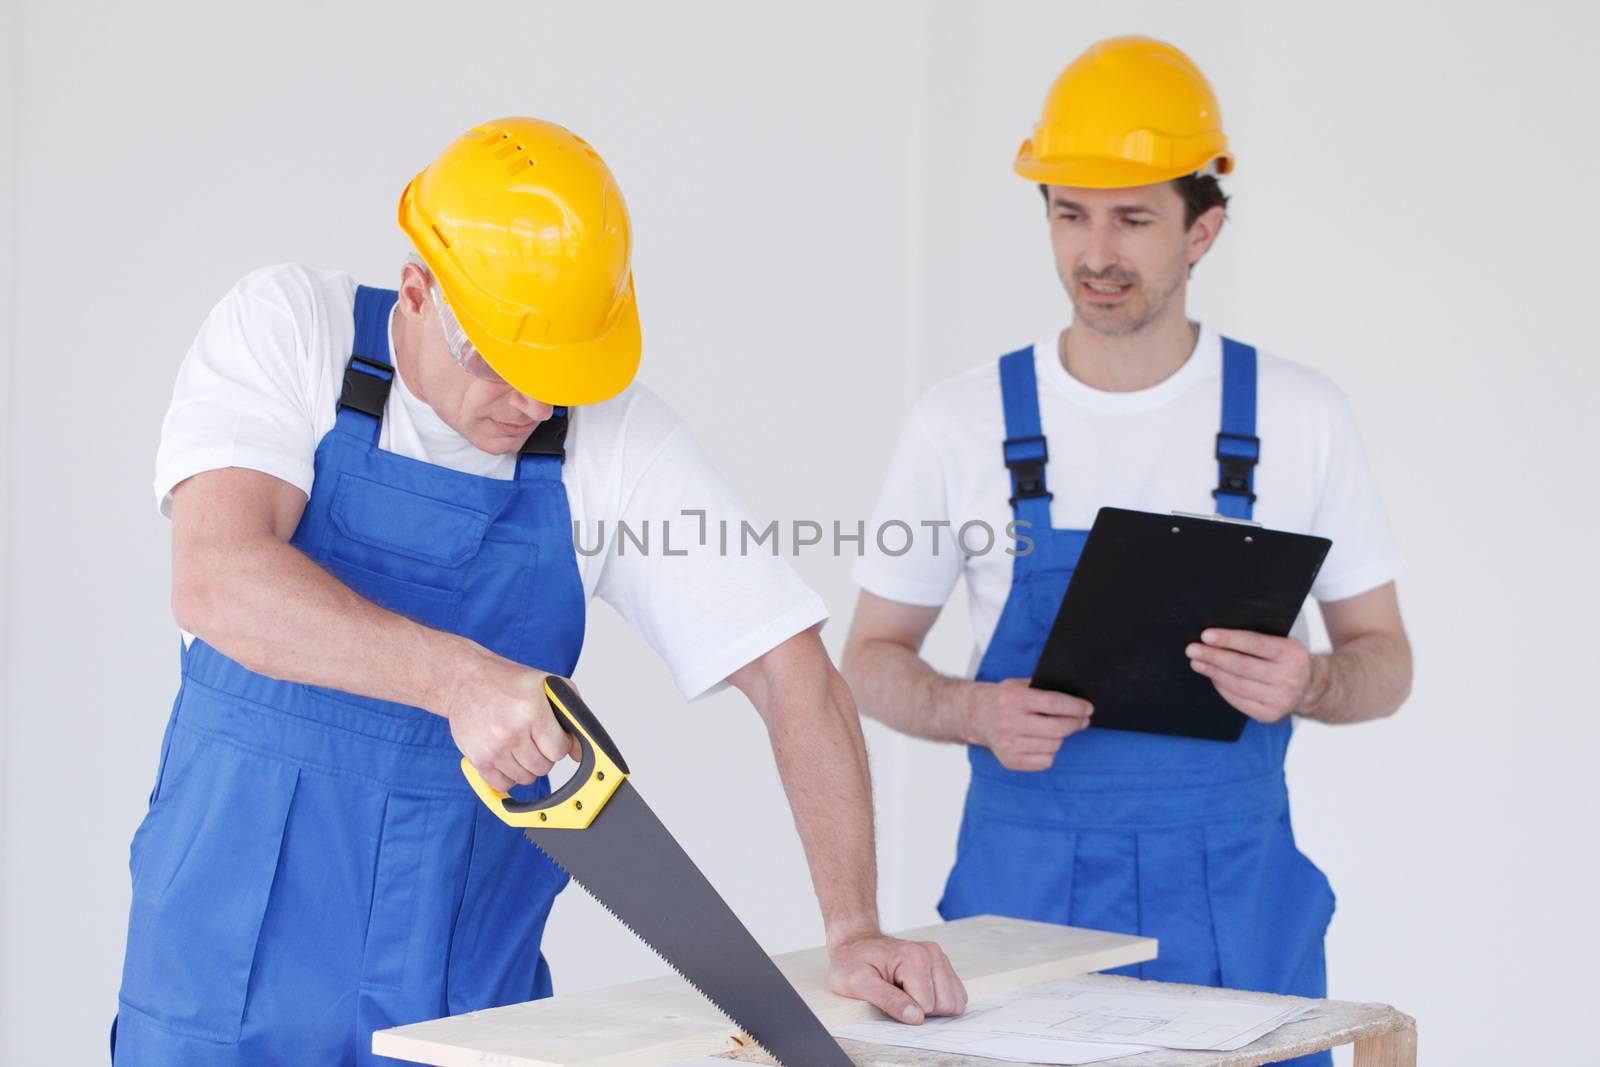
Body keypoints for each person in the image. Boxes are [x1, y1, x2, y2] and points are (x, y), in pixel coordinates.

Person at [113, 117, 964, 1066]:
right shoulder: (288, 332)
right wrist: (458, 680)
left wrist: (852, 928)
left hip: (464, 996)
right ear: (417, 292)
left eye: (560, 377)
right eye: (501, 366)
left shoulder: (615, 443)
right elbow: (217, 576)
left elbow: (790, 670)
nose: (532, 406)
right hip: (222, 972)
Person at [841, 38, 1412, 1067]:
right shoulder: (958, 422)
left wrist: (1314, 677)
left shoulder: (1300, 417)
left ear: (1203, 229)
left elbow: (1385, 658)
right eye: (1069, 213)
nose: (1094, 252)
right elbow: (871, 656)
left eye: (1132, 218)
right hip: (1024, 905)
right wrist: (974, 709)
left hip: (1234, 899)